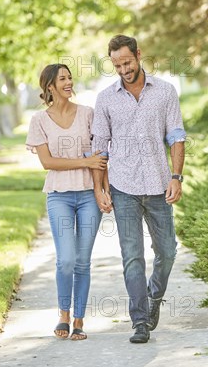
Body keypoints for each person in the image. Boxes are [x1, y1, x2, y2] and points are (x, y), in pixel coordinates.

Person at [91, 35, 186, 343]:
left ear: (139, 55)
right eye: (117, 65)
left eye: (127, 62)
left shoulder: (165, 92)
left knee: (167, 252)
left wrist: (177, 176)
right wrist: (99, 189)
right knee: (132, 257)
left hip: (159, 185)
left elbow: (177, 137)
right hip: (123, 187)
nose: (123, 69)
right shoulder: (106, 99)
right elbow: (99, 149)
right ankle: (140, 321)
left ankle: (152, 298)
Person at [25, 63, 110, 341]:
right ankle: (63, 312)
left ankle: (78, 319)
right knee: (66, 260)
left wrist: (102, 189)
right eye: (62, 79)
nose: (69, 82)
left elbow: (100, 156)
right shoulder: (39, 120)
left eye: (70, 77)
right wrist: (84, 161)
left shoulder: (87, 114)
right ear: (50, 86)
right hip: (59, 196)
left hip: (88, 195)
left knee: (82, 262)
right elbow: (47, 162)